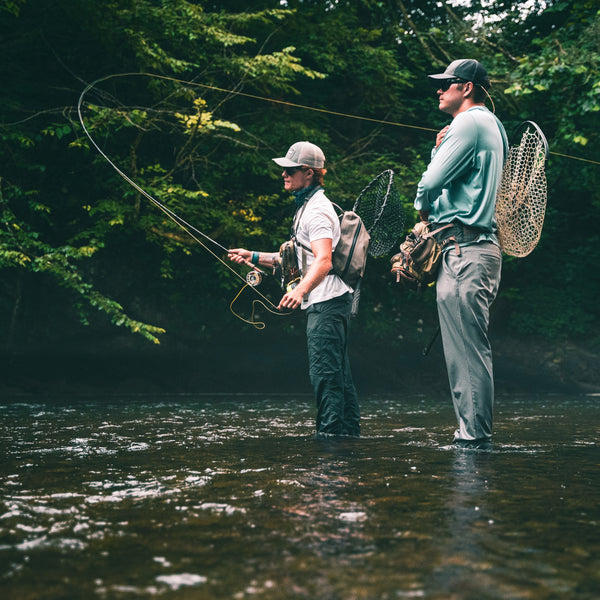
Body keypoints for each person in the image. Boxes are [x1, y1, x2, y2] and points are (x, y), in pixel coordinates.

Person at [228, 141, 360, 437]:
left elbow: (324, 261)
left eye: (290, 170)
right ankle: (349, 445)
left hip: (327, 304)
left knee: (325, 376)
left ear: (308, 173)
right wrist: (252, 256)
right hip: (330, 303)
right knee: (339, 377)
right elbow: (299, 259)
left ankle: (329, 447)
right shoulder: (307, 207)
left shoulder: (317, 211)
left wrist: (299, 291)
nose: (284, 175)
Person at [414, 59, 508, 449]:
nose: (439, 90)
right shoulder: (493, 124)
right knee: (470, 350)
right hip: (475, 249)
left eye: (446, 84)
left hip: (464, 251)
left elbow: (429, 184)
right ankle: (474, 435)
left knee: (465, 354)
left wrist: (422, 210)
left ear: (466, 87)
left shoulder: (468, 123)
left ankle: (473, 440)